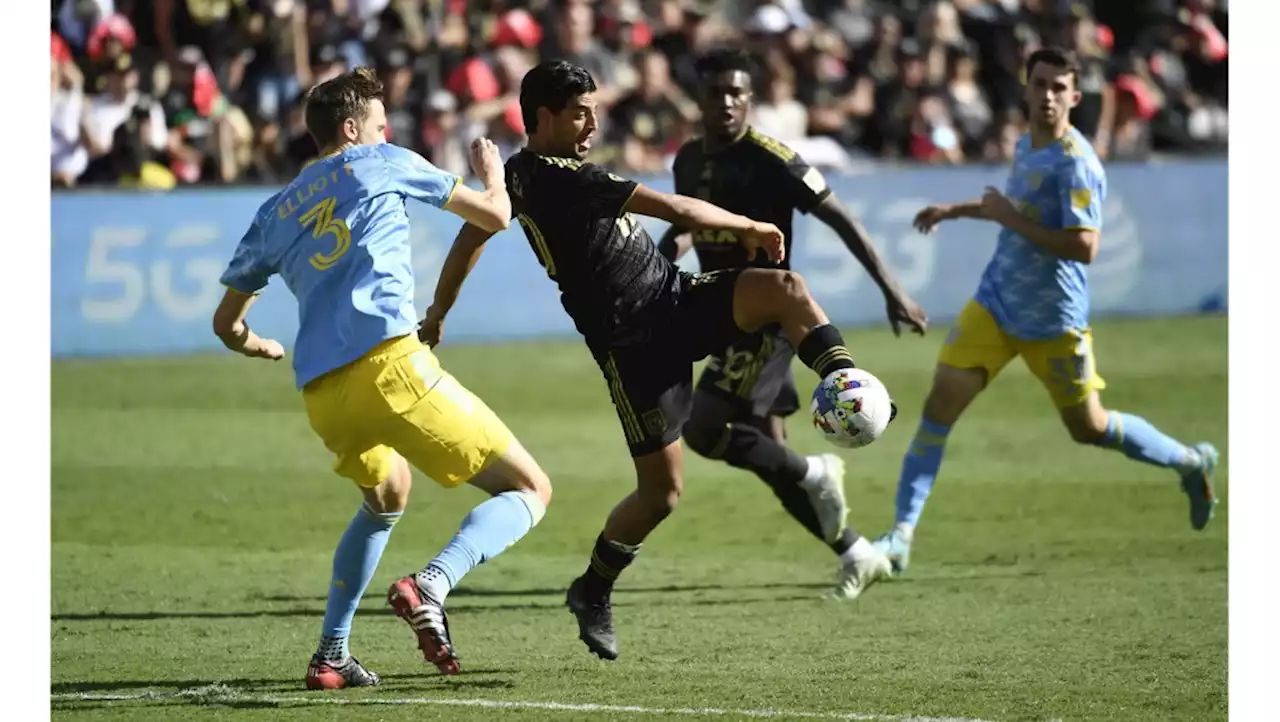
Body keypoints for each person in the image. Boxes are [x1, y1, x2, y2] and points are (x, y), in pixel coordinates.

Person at [421, 60, 897, 663]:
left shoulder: (520, 175)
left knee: (787, 290)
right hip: (633, 347)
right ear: (544, 117)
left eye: (594, 108)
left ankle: (846, 382)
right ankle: (592, 589)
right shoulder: (559, 177)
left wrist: (438, 311)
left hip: (675, 296)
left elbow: (472, 235)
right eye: (579, 112)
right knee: (662, 494)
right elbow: (678, 208)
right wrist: (752, 225)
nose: (593, 121)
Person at [210, 67, 552, 688]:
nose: (385, 131)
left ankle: (332, 654)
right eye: (377, 123)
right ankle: (431, 584)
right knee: (530, 490)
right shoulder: (381, 161)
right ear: (351, 129)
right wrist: (492, 169)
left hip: (323, 395)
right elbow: (496, 216)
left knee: (387, 494)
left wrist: (256, 344)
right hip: (390, 368)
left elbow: (225, 322)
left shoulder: (273, 211)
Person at [871, 48, 1221, 576]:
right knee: (937, 412)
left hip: (1054, 320)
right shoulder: (1025, 143)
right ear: (1027, 88)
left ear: (1075, 98)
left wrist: (1009, 219)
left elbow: (1084, 246)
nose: (1049, 95)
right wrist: (956, 210)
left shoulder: (1078, 163)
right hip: (996, 303)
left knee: (1090, 427)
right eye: (1041, 84)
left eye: (1060, 87)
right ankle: (900, 536)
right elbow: (1014, 209)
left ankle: (1191, 462)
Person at [656, 49, 929, 600]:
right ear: (700, 99)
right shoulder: (686, 160)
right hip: (723, 313)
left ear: (750, 99)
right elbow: (692, 219)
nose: (727, 102)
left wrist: (893, 290)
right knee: (767, 456)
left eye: (737, 93)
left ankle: (817, 471)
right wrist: (670, 249)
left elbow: (841, 217)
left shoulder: (773, 158)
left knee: (705, 429)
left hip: (766, 320)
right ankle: (857, 552)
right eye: (716, 93)